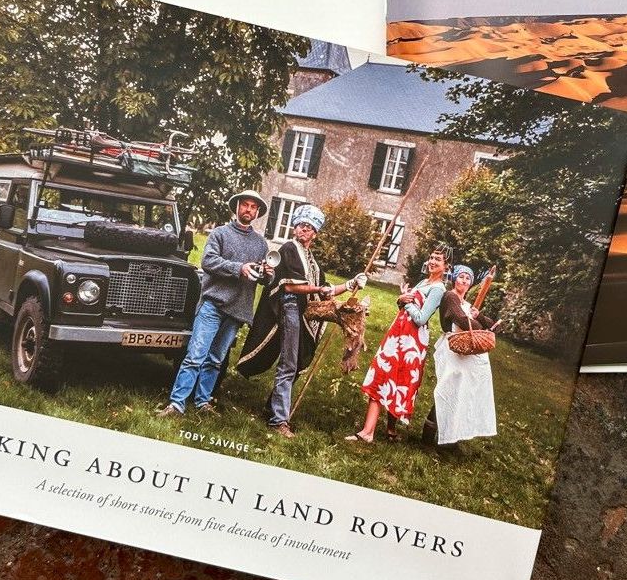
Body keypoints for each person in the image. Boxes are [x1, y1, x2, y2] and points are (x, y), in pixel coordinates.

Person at [236, 204, 365, 438]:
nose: (303, 230)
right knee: (289, 364)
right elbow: (289, 286)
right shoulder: (289, 249)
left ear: (315, 233)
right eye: (300, 225)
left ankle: (272, 408)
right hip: (288, 307)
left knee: (294, 363)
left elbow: (325, 291)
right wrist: (319, 287)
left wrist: (351, 283)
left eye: (309, 227)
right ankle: (278, 421)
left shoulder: (311, 260)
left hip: (302, 311)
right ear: (294, 228)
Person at [159, 190, 271, 418]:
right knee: (195, 356)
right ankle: (177, 404)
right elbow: (208, 261)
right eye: (245, 205)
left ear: (257, 212)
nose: (248, 210)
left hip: (238, 309)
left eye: (253, 207)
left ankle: (203, 402)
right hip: (213, 304)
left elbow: (264, 280)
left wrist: (268, 274)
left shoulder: (261, 244)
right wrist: (239, 268)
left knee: (216, 360)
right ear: (237, 207)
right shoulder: (220, 233)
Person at [346, 247, 448, 444]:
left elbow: (421, 318)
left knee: (396, 380)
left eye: (438, 259)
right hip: (398, 335)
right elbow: (405, 305)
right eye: (431, 257)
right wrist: (401, 300)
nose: (432, 261)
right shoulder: (424, 282)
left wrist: (405, 302)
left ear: (445, 266)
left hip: (412, 341)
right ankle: (389, 431)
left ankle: (368, 432)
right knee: (384, 376)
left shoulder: (438, 289)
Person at [423, 264, 498, 446]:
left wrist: (477, 315)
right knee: (446, 390)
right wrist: (477, 324)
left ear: (471, 284)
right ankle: (427, 436)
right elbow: (462, 321)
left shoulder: (466, 304)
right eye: (461, 277)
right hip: (453, 350)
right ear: (455, 278)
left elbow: (492, 325)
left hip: (467, 353)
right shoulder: (450, 297)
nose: (464, 281)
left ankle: (453, 436)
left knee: (462, 393)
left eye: (468, 279)